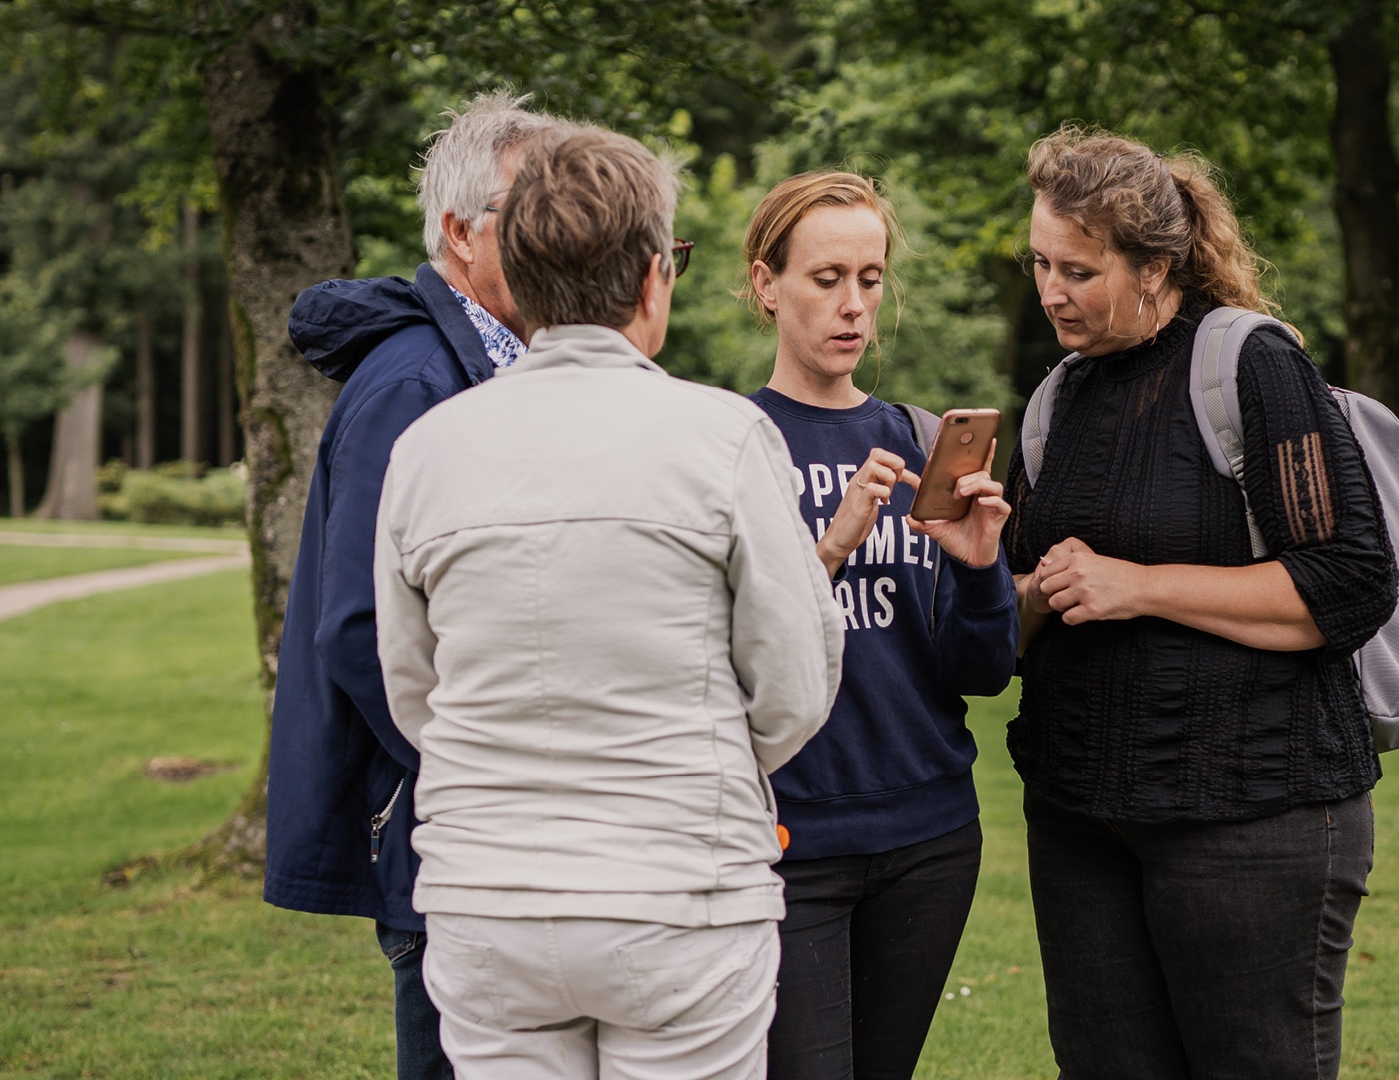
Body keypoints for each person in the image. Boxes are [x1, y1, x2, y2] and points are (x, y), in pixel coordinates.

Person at [373, 125, 844, 1080]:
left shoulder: (429, 448)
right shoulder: (722, 437)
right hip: (679, 892)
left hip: (489, 895)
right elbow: (794, 680)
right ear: (650, 279)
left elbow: (415, 689)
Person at [1002, 125, 1399, 1080]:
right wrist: (1013, 587)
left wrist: (1136, 586)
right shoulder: (1059, 398)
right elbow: (1016, 614)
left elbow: (1349, 579)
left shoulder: (1250, 367)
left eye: (1080, 270)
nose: (1052, 291)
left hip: (1252, 817)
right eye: (1041, 263)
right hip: (1080, 816)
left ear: (1156, 266)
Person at [263, 90, 574, 1080]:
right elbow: (360, 627)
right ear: (457, 230)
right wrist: (473, 768)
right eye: (532, 215)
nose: (558, 238)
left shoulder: (500, 363)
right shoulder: (412, 379)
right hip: (445, 828)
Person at [740, 171, 1020, 1080]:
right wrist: (826, 553)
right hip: (792, 844)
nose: (853, 304)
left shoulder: (919, 436)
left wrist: (980, 570)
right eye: (827, 278)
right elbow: (714, 664)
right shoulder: (729, 446)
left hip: (930, 839)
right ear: (765, 284)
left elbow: (978, 671)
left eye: (870, 277)